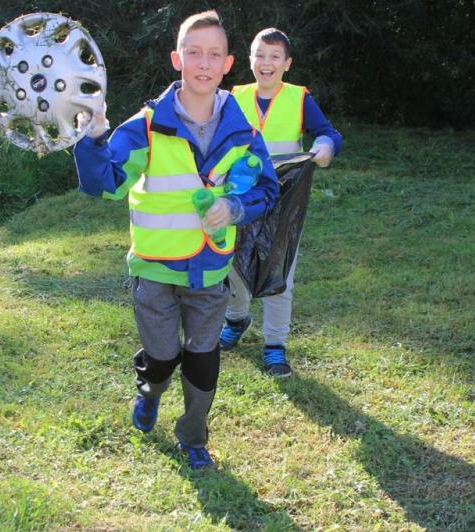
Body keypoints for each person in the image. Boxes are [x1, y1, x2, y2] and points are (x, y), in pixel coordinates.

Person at [72, 11, 278, 469]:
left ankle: (193, 438)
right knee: (162, 359)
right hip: (155, 270)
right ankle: (149, 393)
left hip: (210, 269)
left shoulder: (243, 131)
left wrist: (235, 208)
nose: (204, 63)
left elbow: (266, 189)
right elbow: (104, 184)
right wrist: (94, 135)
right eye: (194, 53)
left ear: (228, 64)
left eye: (214, 54)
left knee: (203, 358)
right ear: (176, 59)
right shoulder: (147, 125)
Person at [220, 28, 343, 378]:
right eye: (260, 55)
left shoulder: (299, 98)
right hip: (241, 198)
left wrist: (325, 147)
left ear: (287, 63)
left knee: (280, 272)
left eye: (274, 56)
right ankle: (236, 319)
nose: (266, 62)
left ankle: (275, 346)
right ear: (250, 60)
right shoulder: (233, 98)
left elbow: (329, 133)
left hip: (285, 201)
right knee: (231, 265)